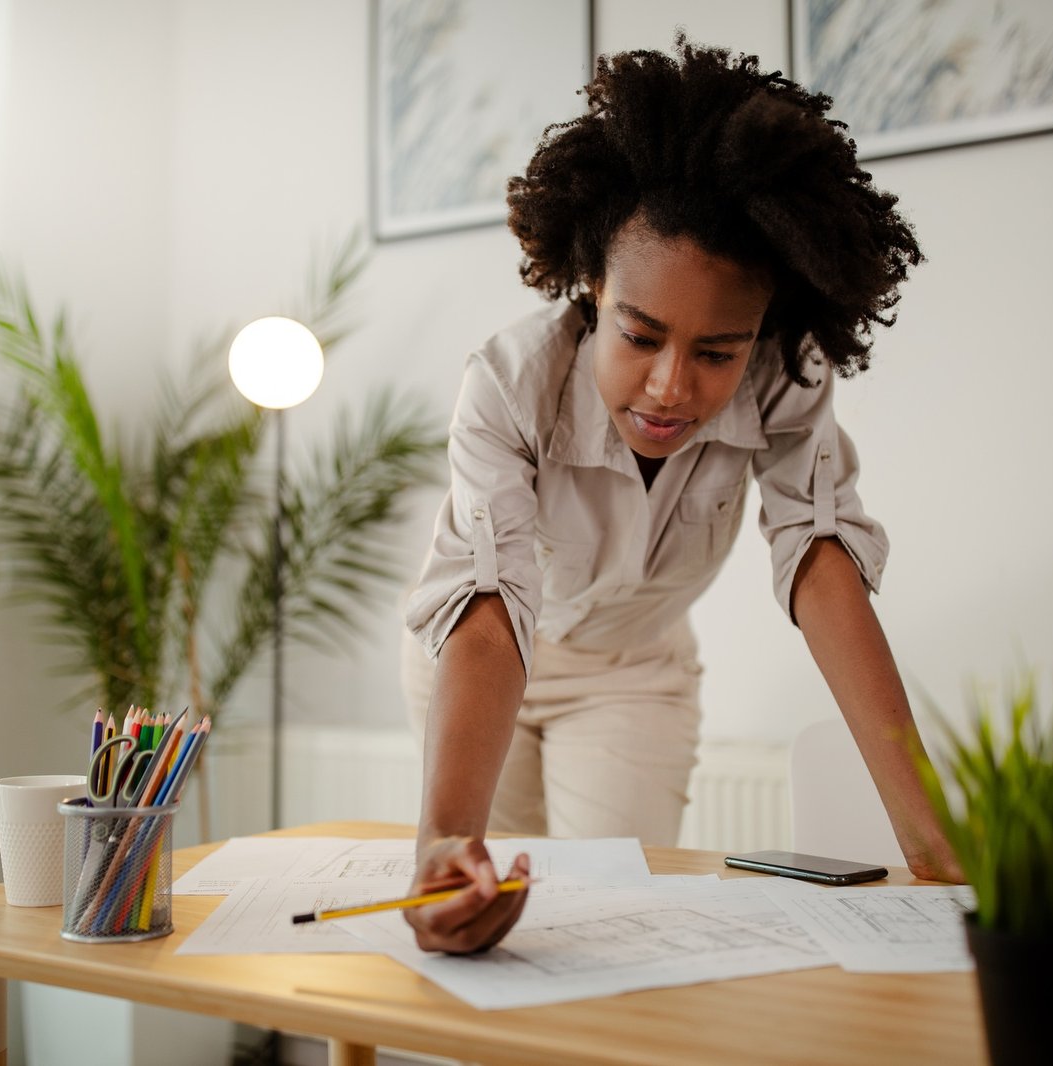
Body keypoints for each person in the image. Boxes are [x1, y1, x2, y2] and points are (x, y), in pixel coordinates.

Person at [398, 36, 962, 954]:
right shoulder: (508, 384)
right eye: (640, 334)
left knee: (613, 927)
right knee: (476, 922)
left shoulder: (788, 376)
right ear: (592, 286)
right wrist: (441, 851)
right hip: (477, 658)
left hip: (634, 674)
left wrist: (931, 837)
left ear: (762, 333)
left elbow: (819, 559)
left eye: (716, 352)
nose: (670, 387)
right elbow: (491, 600)